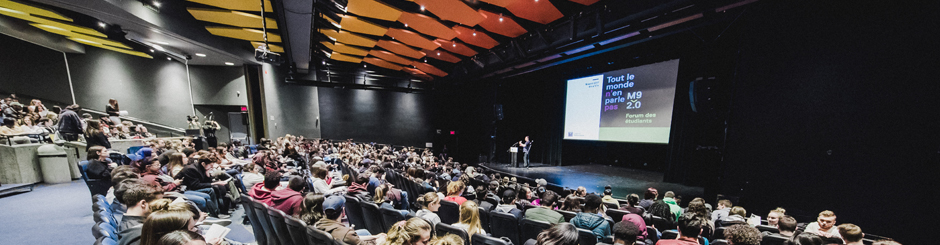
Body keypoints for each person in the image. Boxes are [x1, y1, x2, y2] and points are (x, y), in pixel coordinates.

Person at [316, 195, 387, 245]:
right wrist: (379, 241)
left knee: (364, 232)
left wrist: (374, 236)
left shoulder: (319, 224)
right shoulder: (347, 233)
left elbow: (352, 239)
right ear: (343, 212)